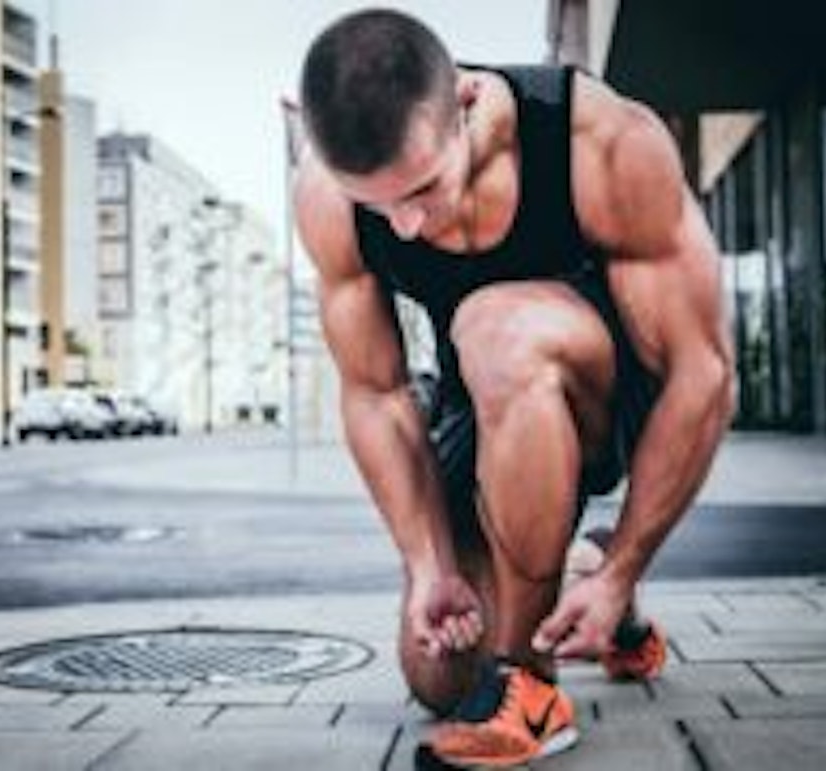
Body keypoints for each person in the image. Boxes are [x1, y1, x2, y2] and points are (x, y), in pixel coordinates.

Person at [293, 8, 735, 768]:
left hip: (606, 394)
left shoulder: (599, 141)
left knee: (495, 326)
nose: (403, 227)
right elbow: (376, 393)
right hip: (484, 401)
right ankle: (586, 583)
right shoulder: (328, 193)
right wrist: (427, 564)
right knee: (437, 673)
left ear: (465, 103)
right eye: (377, 204)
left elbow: (704, 372)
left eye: (424, 188)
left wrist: (635, 553)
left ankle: (529, 688)